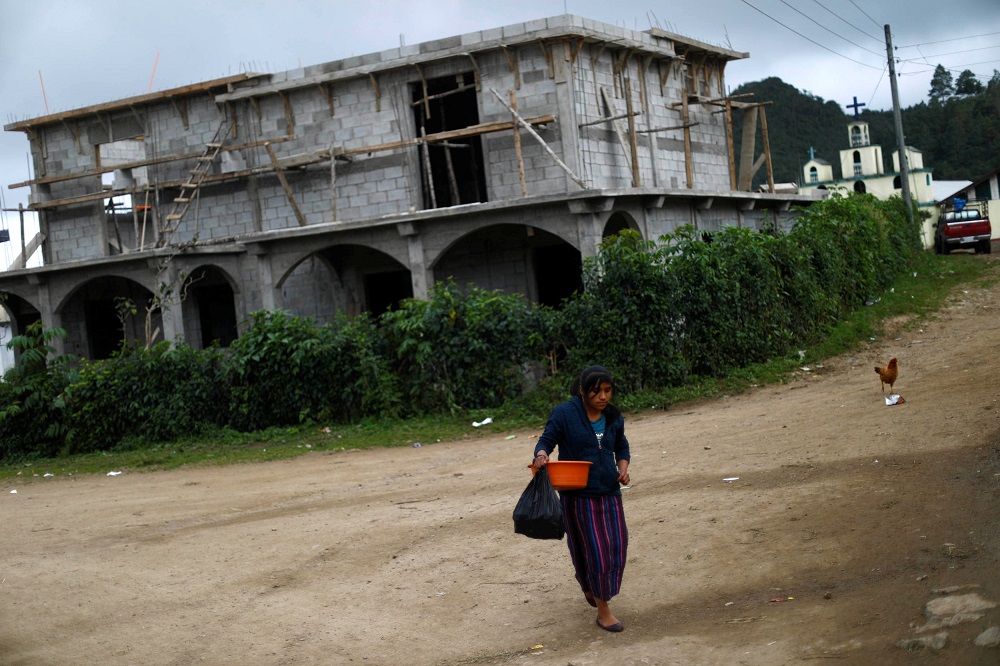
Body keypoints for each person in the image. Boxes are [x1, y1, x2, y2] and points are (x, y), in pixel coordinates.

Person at [531, 365, 631, 632]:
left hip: (609, 493)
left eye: (608, 391)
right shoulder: (565, 414)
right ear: (582, 391)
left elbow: (621, 445)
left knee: (616, 547)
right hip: (578, 496)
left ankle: (590, 585)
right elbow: (546, 440)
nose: (603, 397)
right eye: (597, 391)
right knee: (596, 551)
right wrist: (541, 456)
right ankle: (604, 610)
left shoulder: (613, 417)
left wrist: (622, 469)